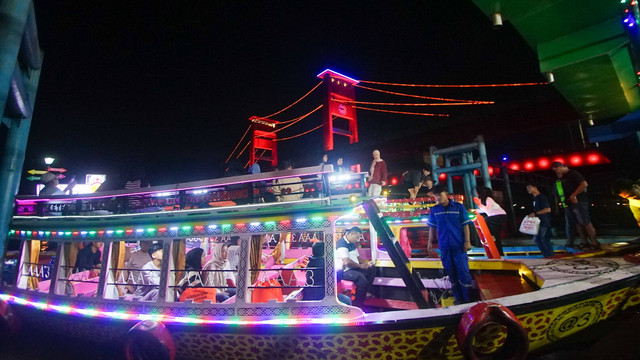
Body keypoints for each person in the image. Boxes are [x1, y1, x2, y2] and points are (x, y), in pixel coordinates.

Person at [427, 185, 473, 304]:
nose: (438, 197)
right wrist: (430, 242)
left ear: (446, 194)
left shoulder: (458, 207)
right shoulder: (435, 210)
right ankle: (459, 298)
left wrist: (467, 241)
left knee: (463, 272)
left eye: (440, 195)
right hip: (445, 247)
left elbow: (465, 226)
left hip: (459, 246)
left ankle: (468, 299)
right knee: (451, 273)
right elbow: (432, 228)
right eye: (436, 196)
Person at [551, 162, 600, 250]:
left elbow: (584, 184)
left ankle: (594, 242)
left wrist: (574, 195)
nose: (556, 172)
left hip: (579, 201)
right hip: (569, 202)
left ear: (561, 167)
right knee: (578, 222)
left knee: (585, 221)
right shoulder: (561, 177)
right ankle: (584, 242)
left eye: (557, 170)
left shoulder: (573, 173)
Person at [335, 227, 375, 308]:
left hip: (353, 268)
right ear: (351, 234)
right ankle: (357, 305)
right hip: (345, 271)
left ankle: (365, 292)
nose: (357, 239)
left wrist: (366, 264)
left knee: (372, 269)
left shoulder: (352, 244)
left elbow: (358, 257)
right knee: (361, 279)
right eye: (357, 237)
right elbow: (346, 262)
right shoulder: (341, 243)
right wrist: (361, 266)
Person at [473, 186, 507, 256]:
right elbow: (484, 210)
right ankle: (500, 253)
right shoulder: (487, 200)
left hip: (499, 216)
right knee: (497, 235)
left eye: (478, 192)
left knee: (486, 220)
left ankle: (491, 235)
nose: (477, 194)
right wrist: (475, 210)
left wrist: (479, 204)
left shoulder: (489, 199)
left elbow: (487, 210)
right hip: (497, 216)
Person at [526, 183, 554, 258]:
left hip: (544, 222)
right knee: (538, 239)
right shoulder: (535, 198)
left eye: (529, 187)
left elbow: (548, 209)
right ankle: (547, 255)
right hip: (539, 223)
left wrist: (535, 213)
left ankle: (549, 256)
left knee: (543, 239)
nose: (528, 189)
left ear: (535, 187)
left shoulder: (542, 197)